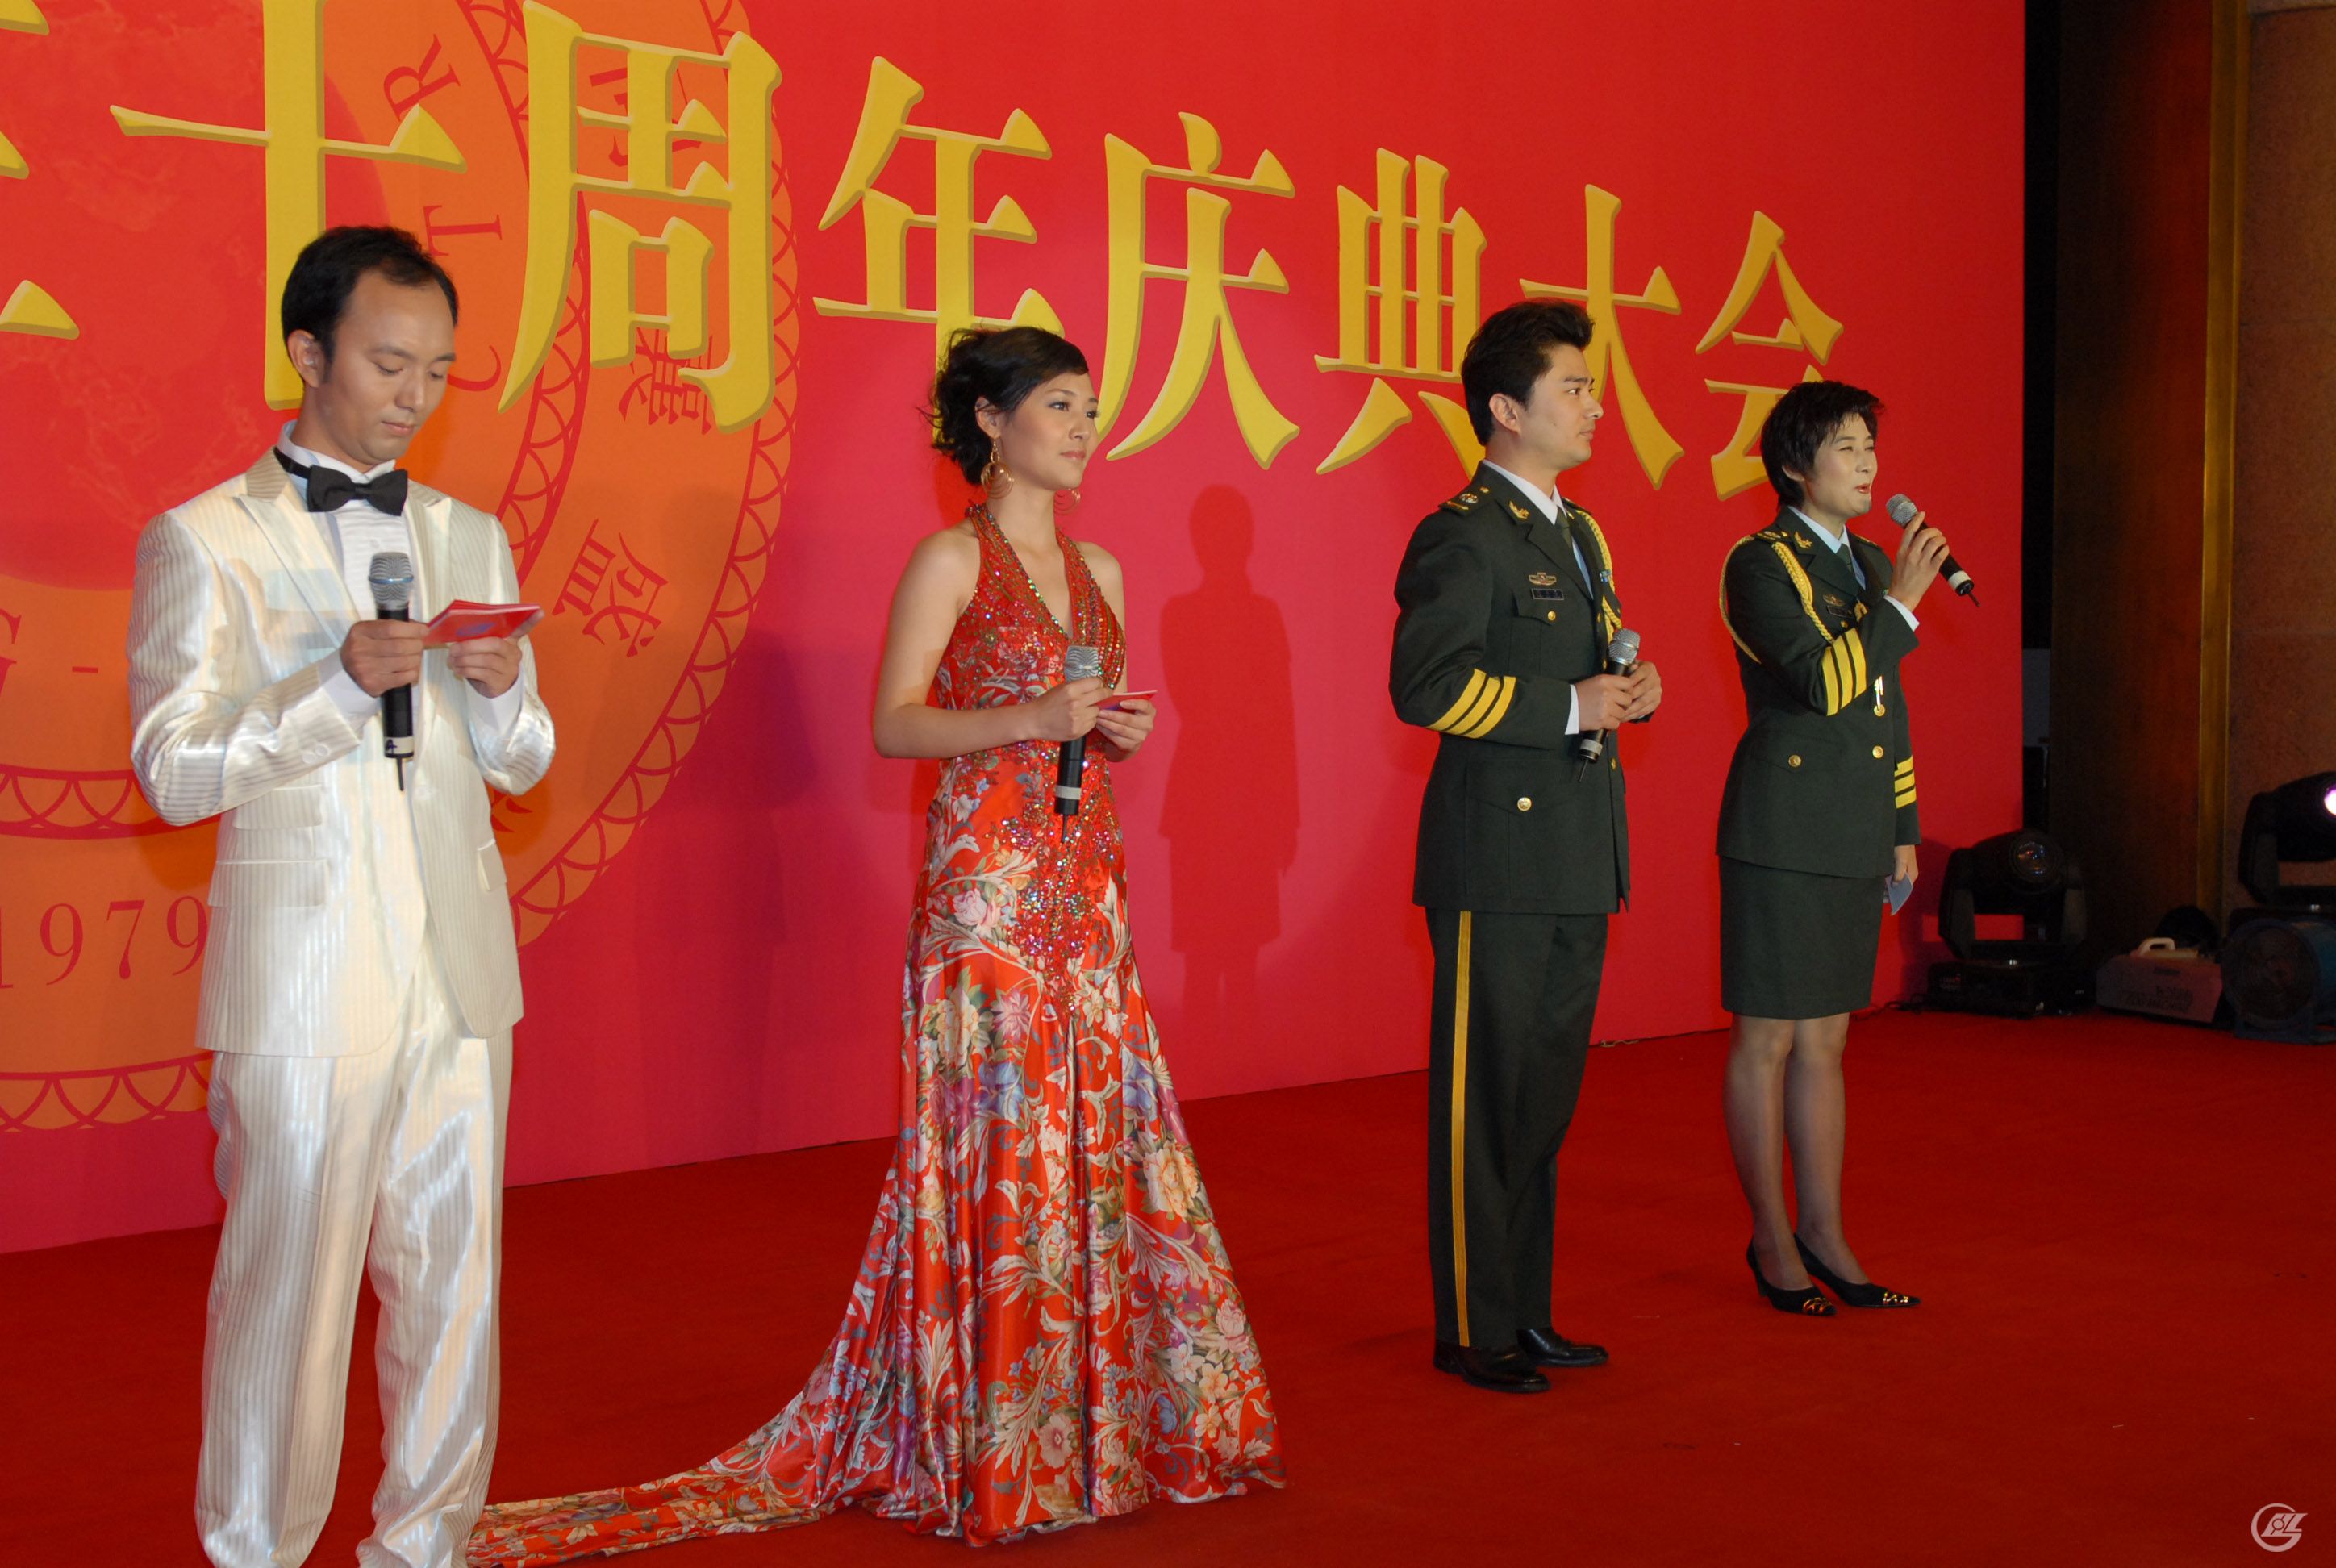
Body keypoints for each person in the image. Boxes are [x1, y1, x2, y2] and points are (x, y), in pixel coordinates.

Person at [469, 326, 1282, 1561]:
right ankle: (1000, 1440)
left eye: (1090, 406)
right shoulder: (950, 559)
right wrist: (1029, 715)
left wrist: (1111, 731)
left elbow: (1095, 718)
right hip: (984, 899)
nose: (1085, 427)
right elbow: (898, 725)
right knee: (1003, 1144)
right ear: (992, 422)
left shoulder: (1104, 568)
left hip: (1085, 887)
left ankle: (1095, 1427)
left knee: (1093, 1133)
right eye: (1061, 406)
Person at [126, 225, 555, 1566]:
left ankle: (425, 1545)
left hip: (459, 967)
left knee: (455, 1286)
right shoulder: (204, 537)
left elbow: (526, 760)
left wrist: (504, 697)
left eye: (437, 370)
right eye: (388, 362)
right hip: (306, 978)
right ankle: (255, 1549)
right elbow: (173, 770)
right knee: (288, 1298)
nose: (414, 394)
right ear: (307, 353)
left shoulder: (469, 532)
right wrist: (335, 685)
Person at [1388, 299, 1662, 1395]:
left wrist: (1625, 690)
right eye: (1573, 388)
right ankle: (1472, 1324)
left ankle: (1525, 1310)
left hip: (1574, 848)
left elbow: (1584, 669)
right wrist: (1570, 704)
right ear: (1505, 409)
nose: (1595, 406)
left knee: (1542, 1095)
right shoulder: (1464, 532)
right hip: (1496, 856)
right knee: (1485, 1096)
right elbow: (1427, 685)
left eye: (1592, 386)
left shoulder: (1578, 531)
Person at [1715, 379, 1943, 1316]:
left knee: (1828, 1040)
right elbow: (1826, 682)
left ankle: (1825, 1232)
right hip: (1781, 827)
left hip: (1853, 824)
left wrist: (1900, 826)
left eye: (1869, 447)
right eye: (1846, 448)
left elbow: (1886, 711)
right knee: (1767, 1038)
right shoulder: (1760, 564)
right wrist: (1903, 605)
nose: (1866, 465)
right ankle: (1771, 1239)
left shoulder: (1869, 563)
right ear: (1794, 467)